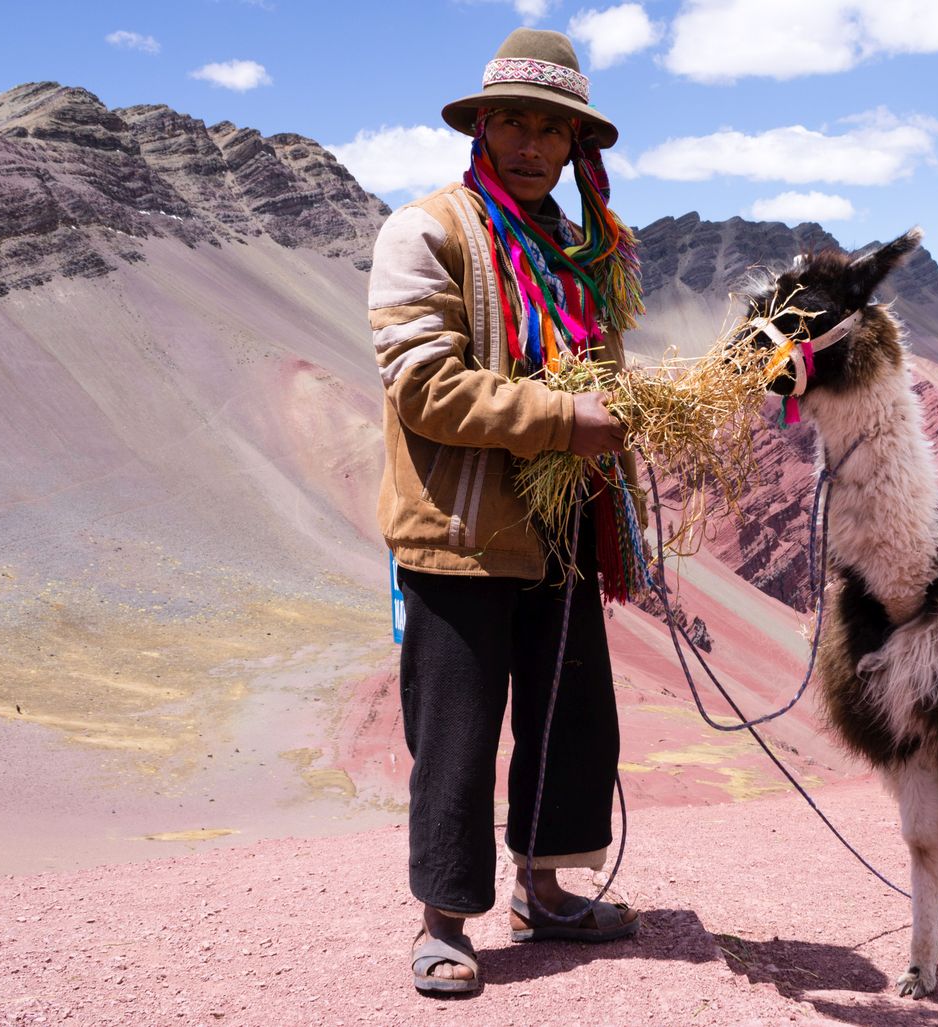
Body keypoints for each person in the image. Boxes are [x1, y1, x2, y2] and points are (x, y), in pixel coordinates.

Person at [366, 27, 644, 995]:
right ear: (481, 126)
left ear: (577, 146)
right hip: (460, 529)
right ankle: (443, 918)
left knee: (571, 716)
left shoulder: (583, 258)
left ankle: (548, 887)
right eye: (513, 124)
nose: (530, 145)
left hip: (559, 525)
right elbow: (426, 388)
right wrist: (571, 420)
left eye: (550, 130)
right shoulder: (427, 234)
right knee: (457, 727)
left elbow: (595, 366)